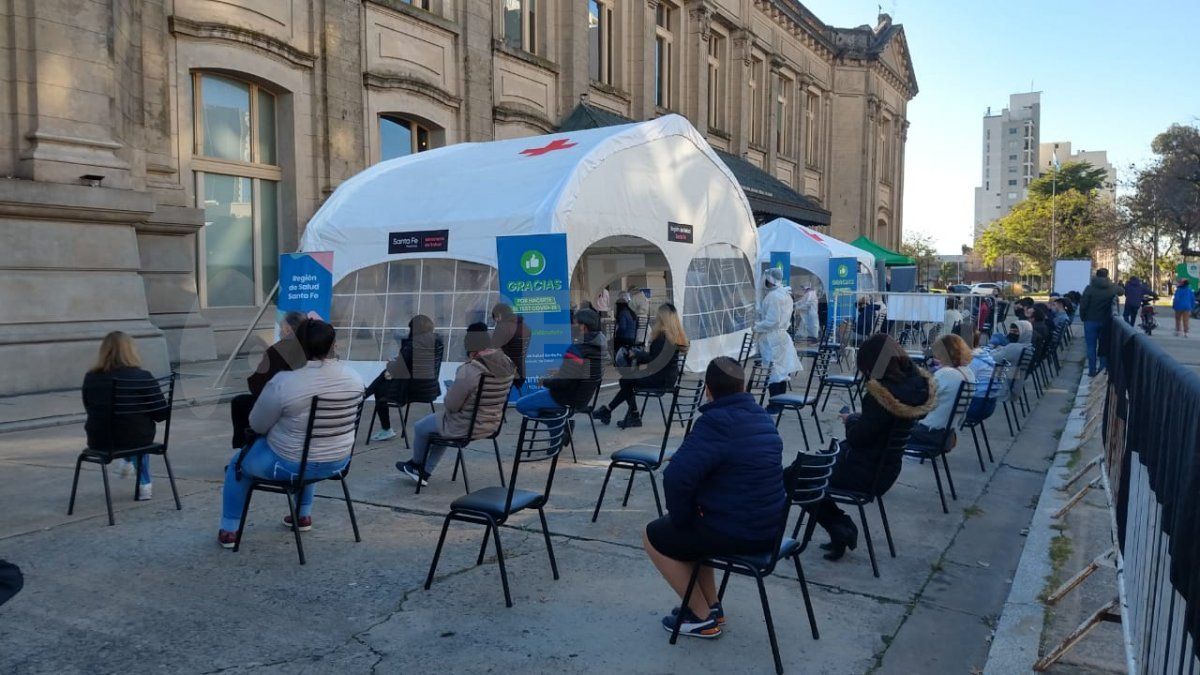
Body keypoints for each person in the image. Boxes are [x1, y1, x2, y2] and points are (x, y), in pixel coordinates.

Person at [644, 357, 785, 639]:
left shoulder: (717, 422)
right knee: (697, 526)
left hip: (737, 532)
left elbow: (676, 477)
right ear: (743, 385)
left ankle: (698, 617)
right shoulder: (762, 417)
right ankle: (712, 606)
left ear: (708, 390)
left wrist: (681, 519)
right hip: (769, 530)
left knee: (653, 536)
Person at [217, 320, 364, 548]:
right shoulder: (355, 378)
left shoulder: (285, 382)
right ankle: (302, 515)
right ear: (333, 345)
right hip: (339, 461)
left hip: (290, 465)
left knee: (238, 463)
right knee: (307, 447)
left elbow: (256, 424)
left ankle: (229, 529)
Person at [808, 335, 934, 560]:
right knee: (812, 469)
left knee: (797, 476)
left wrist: (851, 420)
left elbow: (858, 439)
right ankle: (840, 526)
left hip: (864, 471)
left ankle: (840, 527)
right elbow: (878, 427)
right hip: (885, 469)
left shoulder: (881, 397)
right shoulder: (913, 389)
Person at [396, 323, 514, 486]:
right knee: (440, 426)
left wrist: (452, 389)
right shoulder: (507, 365)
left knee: (421, 427)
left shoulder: (470, 370)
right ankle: (425, 471)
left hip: (466, 425)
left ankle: (416, 465)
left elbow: (451, 405)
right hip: (491, 423)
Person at [82, 331, 169, 502]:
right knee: (136, 432)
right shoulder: (142, 377)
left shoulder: (91, 377)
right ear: (131, 351)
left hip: (100, 440)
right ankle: (144, 483)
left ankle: (128, 461)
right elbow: (161, 414)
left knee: (126, 428)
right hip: (136, 438)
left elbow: (90, 408)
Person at [593, 303, 689, 428]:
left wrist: (637, 354)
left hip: (659, 379)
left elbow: (653, 361)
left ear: (662, 318)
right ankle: (611, 411)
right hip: (669, 378)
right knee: (628, 381)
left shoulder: (662, 337)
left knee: (626, 381)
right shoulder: (675, 335)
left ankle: (631, 415)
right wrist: (641, 355)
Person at [230, 311, 307, 449]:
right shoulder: (313, 348)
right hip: (307, 407)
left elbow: (258, 386)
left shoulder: (279, 350)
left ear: (287, 328)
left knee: (240, 403)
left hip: (286, 409)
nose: (279, 331)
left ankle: (244, 452)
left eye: (281, 326)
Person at [515, 309, 604, 427]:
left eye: (574, 323)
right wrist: (560, 371)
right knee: (540, 404)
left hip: (565, 397)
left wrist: (543, 381)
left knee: (521, 405)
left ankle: (560, 426)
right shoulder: (598, 348)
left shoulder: (577, 349)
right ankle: (560, 427)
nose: (571, 327)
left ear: (583, 327)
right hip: (582, 399)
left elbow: (563, 382)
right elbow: (582, 372)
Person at [365, 315, 444, 442]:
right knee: (386, 374)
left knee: (380, 390)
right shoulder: (438, 341)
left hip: (410, 390)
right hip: (430, 389)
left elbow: (400, 368)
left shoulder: (412, 344)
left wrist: (391, 364)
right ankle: (365, 394)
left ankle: (386, 428)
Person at [911, 334, 976, 449]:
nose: (935, 358)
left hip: (930, 434)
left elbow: (920, 399)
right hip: (948, 434)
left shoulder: (946, 373)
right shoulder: (969, 373)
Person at [754, 267, 802, 404]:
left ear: (768, 280)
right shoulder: (784, 293)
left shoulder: (773, 296)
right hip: (782, 337)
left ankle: (775, 404)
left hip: (772, 338)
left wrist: (757, 326)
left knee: (773, 371)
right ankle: (781, 402)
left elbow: (772, 321)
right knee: (782, 371)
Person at [1078, 268, 1124, 377]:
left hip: (1090, 320)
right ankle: (1102, 369)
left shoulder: (1089, 288)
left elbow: (1083, 304)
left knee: (1091, 346)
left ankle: (1092, 370)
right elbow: (1122, 291)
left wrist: (1083, 317)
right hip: (1105, 321)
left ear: (1096, 275)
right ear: (1107, 275)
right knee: (1103, 346)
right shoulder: (1111, 288)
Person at [492, 303, 530, 391]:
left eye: (496, 318)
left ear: (499, 314)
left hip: (505, 373)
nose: (496, 321)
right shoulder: (525, 326)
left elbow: (493, 350)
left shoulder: (503, 327)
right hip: (520, 370)